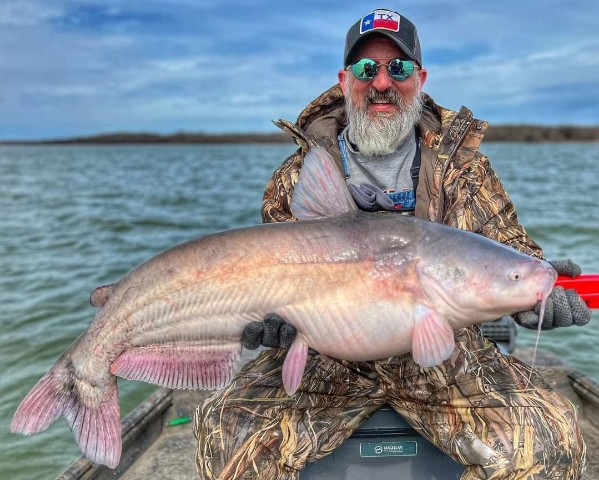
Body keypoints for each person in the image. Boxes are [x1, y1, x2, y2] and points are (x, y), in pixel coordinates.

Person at [194, 9, 591, 479]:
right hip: (325, 362)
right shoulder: (298, 175)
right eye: (367, 69)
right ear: (345, 79)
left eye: (398, 68)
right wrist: (267, 318)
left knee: (550, 444)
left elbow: (509, 246)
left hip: (447, 359)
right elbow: (270, 269)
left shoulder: (467, 170)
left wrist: (537, 291)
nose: (382, 82)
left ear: (419, 78)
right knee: (227, 441)